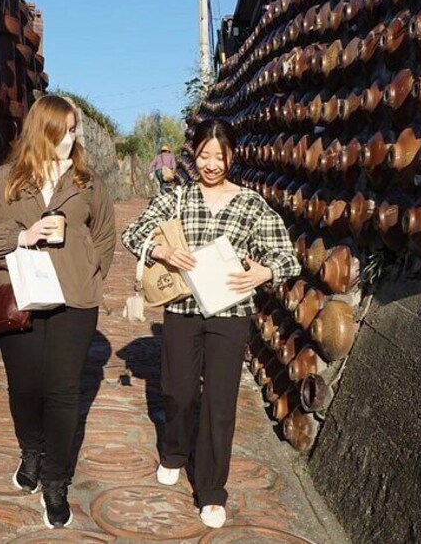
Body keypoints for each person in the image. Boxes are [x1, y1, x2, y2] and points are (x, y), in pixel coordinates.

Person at [121, 119, 300, 529]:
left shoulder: (251, 204)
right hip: (182, 311)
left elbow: (287, 256)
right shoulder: (179, 198)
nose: (212, 164)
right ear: (194, 156)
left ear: (232, 157)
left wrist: (263, 273)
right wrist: (163, 251)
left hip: (231, 314)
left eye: (219, 156)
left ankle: (212, 489)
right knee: (178, 392)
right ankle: (174, 451)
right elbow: (134, 233)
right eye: (204, 155)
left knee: (220, 403)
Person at [0, 95, 116, 529]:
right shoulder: (7, 180)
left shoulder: (87, 183)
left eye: (74, 130)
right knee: (25, 387)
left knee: (63, 390)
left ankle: (56, 481)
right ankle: (30, 451)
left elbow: (106, 234)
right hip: (19, 296)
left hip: (74, 300)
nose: (72, 139)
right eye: (64, 130)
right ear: (42, 131)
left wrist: (89, 268)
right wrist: (23, 234)